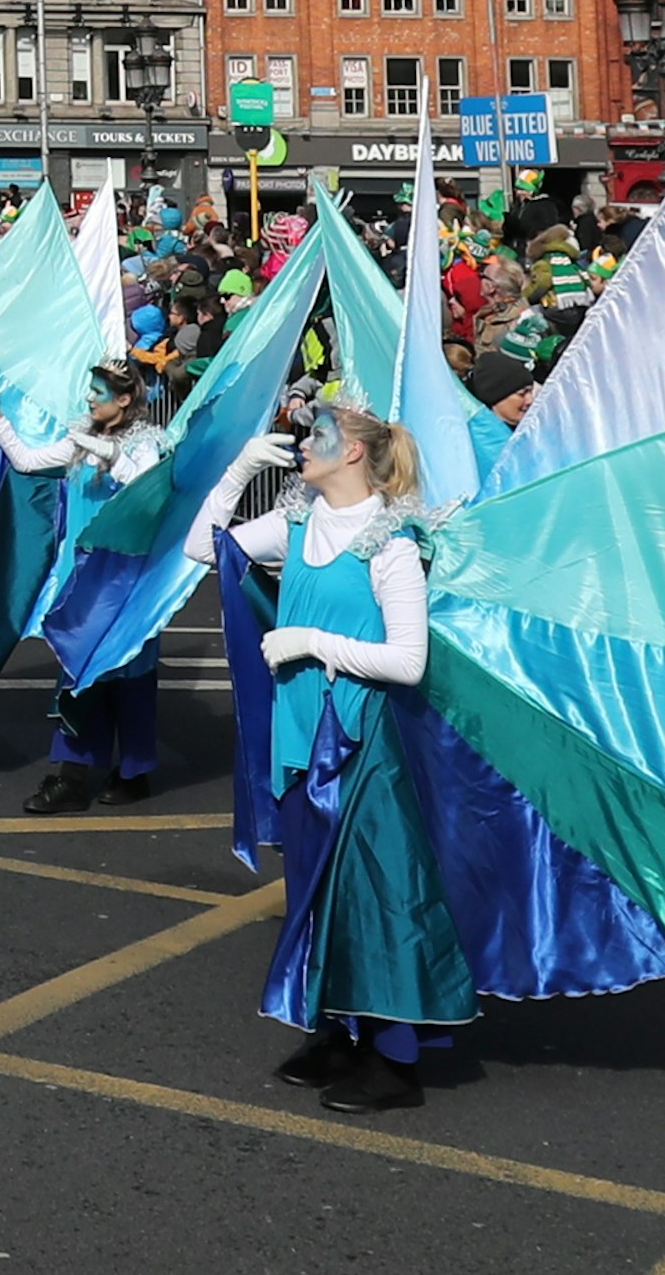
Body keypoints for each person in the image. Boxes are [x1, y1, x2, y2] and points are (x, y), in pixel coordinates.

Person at [185, 400, 438, 1114]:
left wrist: (312, 642)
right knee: (312, 886)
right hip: (299, 739)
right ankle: (337, 1031)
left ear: (355, 452)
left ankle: (395, 1060)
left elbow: (408, 660)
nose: (305, 444)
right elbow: (204, 550)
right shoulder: (298, 520)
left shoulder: (389, 541)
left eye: (320, 435)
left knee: (372, 898)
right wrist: (236, 471)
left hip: (361, 745)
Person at [0, 361, 168, 811]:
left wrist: (113, 458)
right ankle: (73, 774)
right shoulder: (84, 438)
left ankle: (133, 770)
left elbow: (149, 493)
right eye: (90, 390)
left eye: (98, 392)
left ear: (124, 400)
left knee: (127, 674)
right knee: (80, 669)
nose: (89, 399)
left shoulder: (147, 444)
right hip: (81, 576)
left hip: (124, 578)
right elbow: (26, 461)